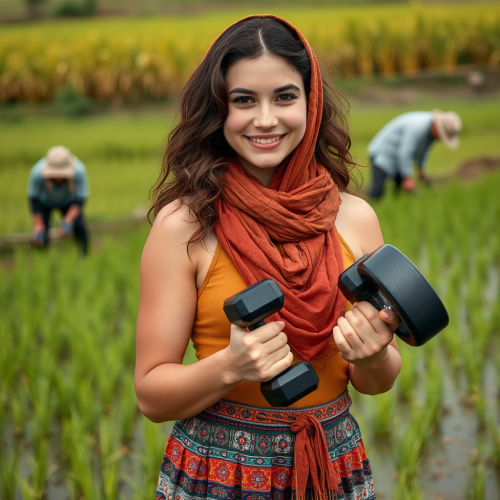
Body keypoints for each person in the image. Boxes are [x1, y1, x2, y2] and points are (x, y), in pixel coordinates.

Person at [135, 16, 403, 500]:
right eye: (243, 100)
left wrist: (374, 353)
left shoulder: (355, 219)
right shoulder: (185, 227)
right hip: (220, 472)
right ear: (217, 111)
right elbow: (151, 395)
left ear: (311, 102)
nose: (265, 119)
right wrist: (231, 366)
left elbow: (376, 382)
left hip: (331, 462)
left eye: (284, 96)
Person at [367, 110, 462, 199]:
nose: (440, 139)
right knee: (378, 191)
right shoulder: (418, 126)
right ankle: (365, 212)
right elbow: (405, 152)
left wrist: (421, 169)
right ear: (437, 127)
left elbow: (423, 151)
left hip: (397, 158)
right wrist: (407, 177)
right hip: (383, 153)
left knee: (400, 193)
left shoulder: (431, 134)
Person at [27, 145, 90, 255]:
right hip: (44, 202)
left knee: (79, 227)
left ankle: (84, 256)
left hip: (69, 202)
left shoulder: (79, 171)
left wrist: (68, 220)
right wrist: (38, 225)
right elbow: (33, 198)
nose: (58, 177)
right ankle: (42, 259)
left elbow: (80, 198)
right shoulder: (37, 172)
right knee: (41, 234)